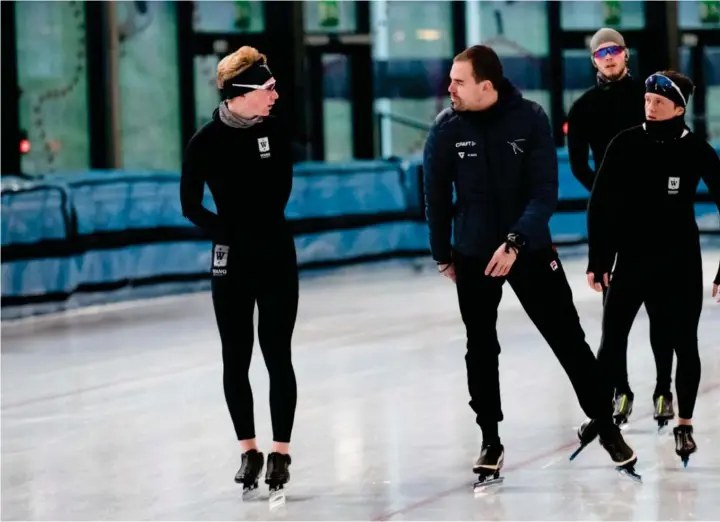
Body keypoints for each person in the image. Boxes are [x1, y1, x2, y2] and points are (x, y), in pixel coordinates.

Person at [423, 45, 638, 484]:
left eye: (458, 81)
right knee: (481, 347)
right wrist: (442, 253)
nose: (450, 88)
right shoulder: (445, 129)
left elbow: (545, 192)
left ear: (487, 86)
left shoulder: (530, 118)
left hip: (531, 249)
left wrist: (516, 242)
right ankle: (490, 439)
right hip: (474, 253)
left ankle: (606, 426)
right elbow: (435, 198)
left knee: (568, 339)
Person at [587, 70, 720, 465]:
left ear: (679, 107)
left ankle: (684, 423)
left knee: (684, 344)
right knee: (610, 343)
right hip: (631, 260)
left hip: (680, 263)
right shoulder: (625, 143)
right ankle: (602, 415)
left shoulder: (696, 149)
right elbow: (601, 203)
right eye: (647, 99)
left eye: (659, 101)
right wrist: (599, 258)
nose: (650, 105)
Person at [180, 46, 297, 494]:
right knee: (236, 356)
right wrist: (224, 231)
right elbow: (190, 205)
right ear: (241, 93)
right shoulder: (204, 142)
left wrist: (251, 229)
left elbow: (278, 194)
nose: (275, 96)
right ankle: (249, 450)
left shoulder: (276, 131)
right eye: (268, 89)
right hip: (232, 259)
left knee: (277, 354)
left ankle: (280, 453)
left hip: (274, 255)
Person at [566, 28, 662, 426]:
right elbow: (577, 165)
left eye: (614, 51)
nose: (608, 58)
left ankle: (665, 388)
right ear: (593, 60)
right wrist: (605, 195)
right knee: (613, 312)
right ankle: (620, 390)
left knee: (662, 304)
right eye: (601, 52)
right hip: (611, 217)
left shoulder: (648, 98)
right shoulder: (584, 107)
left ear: (625, 55)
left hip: (655, 213)